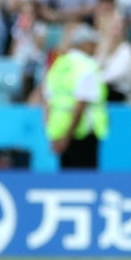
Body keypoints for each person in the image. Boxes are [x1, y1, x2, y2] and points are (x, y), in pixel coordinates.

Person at [44, 23, 107, 169]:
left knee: (66, 177)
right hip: (83, 132)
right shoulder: (87, 66)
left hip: (58, 131)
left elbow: (47, 102)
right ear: (83, 44)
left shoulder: (58, 65)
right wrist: (67, 136)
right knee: (85, 178)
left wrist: (52, 135)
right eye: (92, 43)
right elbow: (81, 105)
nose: (95, 47)